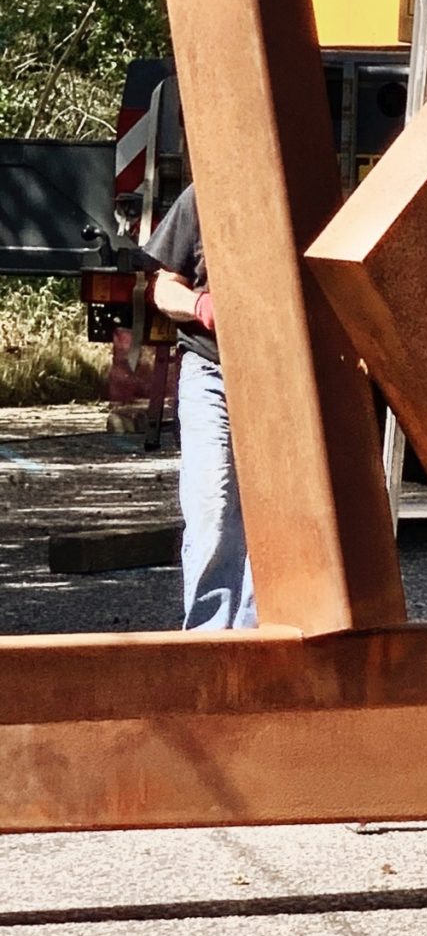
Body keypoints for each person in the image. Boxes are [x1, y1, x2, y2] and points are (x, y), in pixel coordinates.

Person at [145, 181, 255, 630]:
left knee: (273, 517)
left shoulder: (306, 191)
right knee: (214, 507)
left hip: (283, 379)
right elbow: (163, 288)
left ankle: (255, 644)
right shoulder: (204, 195)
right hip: (211, 371)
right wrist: (199, 304)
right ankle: (210, 639)